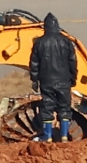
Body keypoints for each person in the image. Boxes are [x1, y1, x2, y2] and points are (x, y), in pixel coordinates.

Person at [29, 13, 77, 143]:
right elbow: (72, 61)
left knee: (47, 107)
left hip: (46, 80)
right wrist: (73, 77)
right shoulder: (66, 41)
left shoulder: (39, 42)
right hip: (64, 80)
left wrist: (34, 79)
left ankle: (48, 136)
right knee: (64, 107)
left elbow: (34, 63)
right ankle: (64, 136)